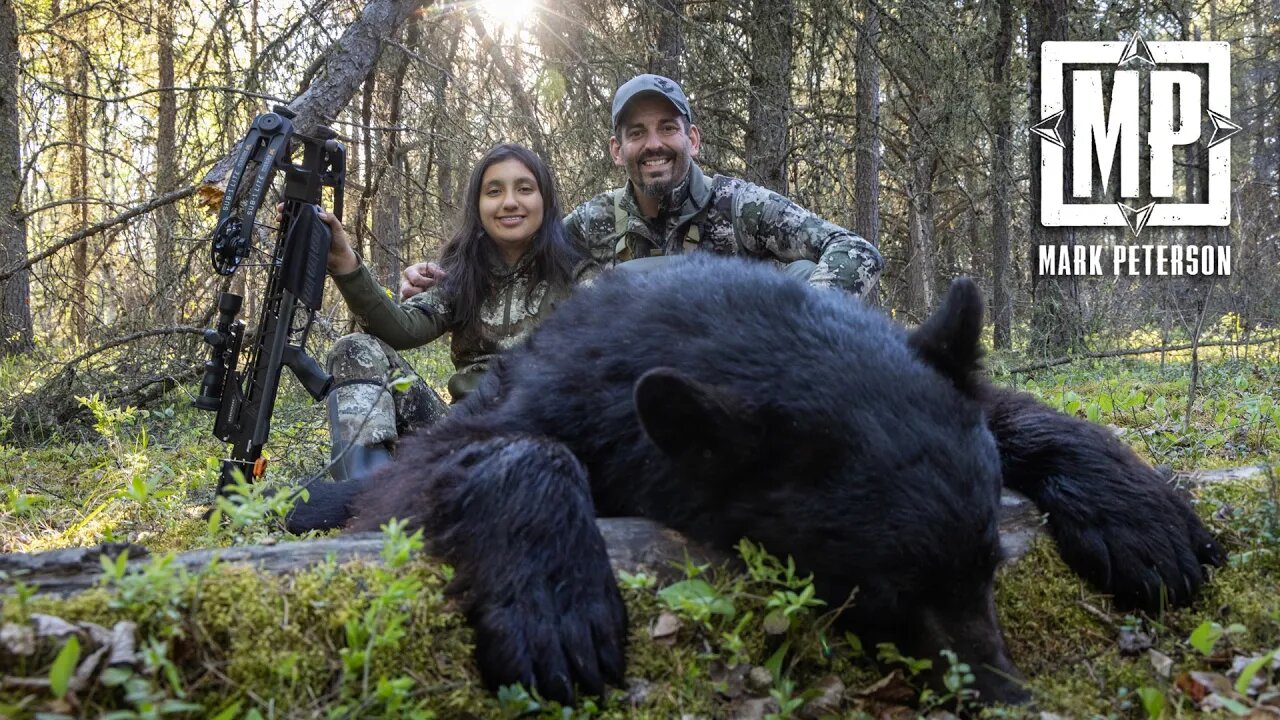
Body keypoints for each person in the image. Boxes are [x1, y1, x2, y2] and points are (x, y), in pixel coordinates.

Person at [400, 73, 883, 301]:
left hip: (738, 380)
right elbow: (519, 255)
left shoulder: (742, 206)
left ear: (691, 138)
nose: (654, 144)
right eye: (636, 133)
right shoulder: (596, 221)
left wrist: (794, 318)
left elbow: (855, 250)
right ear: (617, 149)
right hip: (636, 387)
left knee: (799, 274)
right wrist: (437, 273)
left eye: (667, 128)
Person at [316, 143, 595, 483]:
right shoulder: (459, 275)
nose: (509, 202)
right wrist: (345, 262)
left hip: (543, 438)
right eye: (494, 191)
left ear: (545, 201)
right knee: (354, 349)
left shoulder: (578, 276)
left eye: (524, 189)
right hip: (460, 436)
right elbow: (402, 329)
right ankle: (367, 497)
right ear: (478, 206)